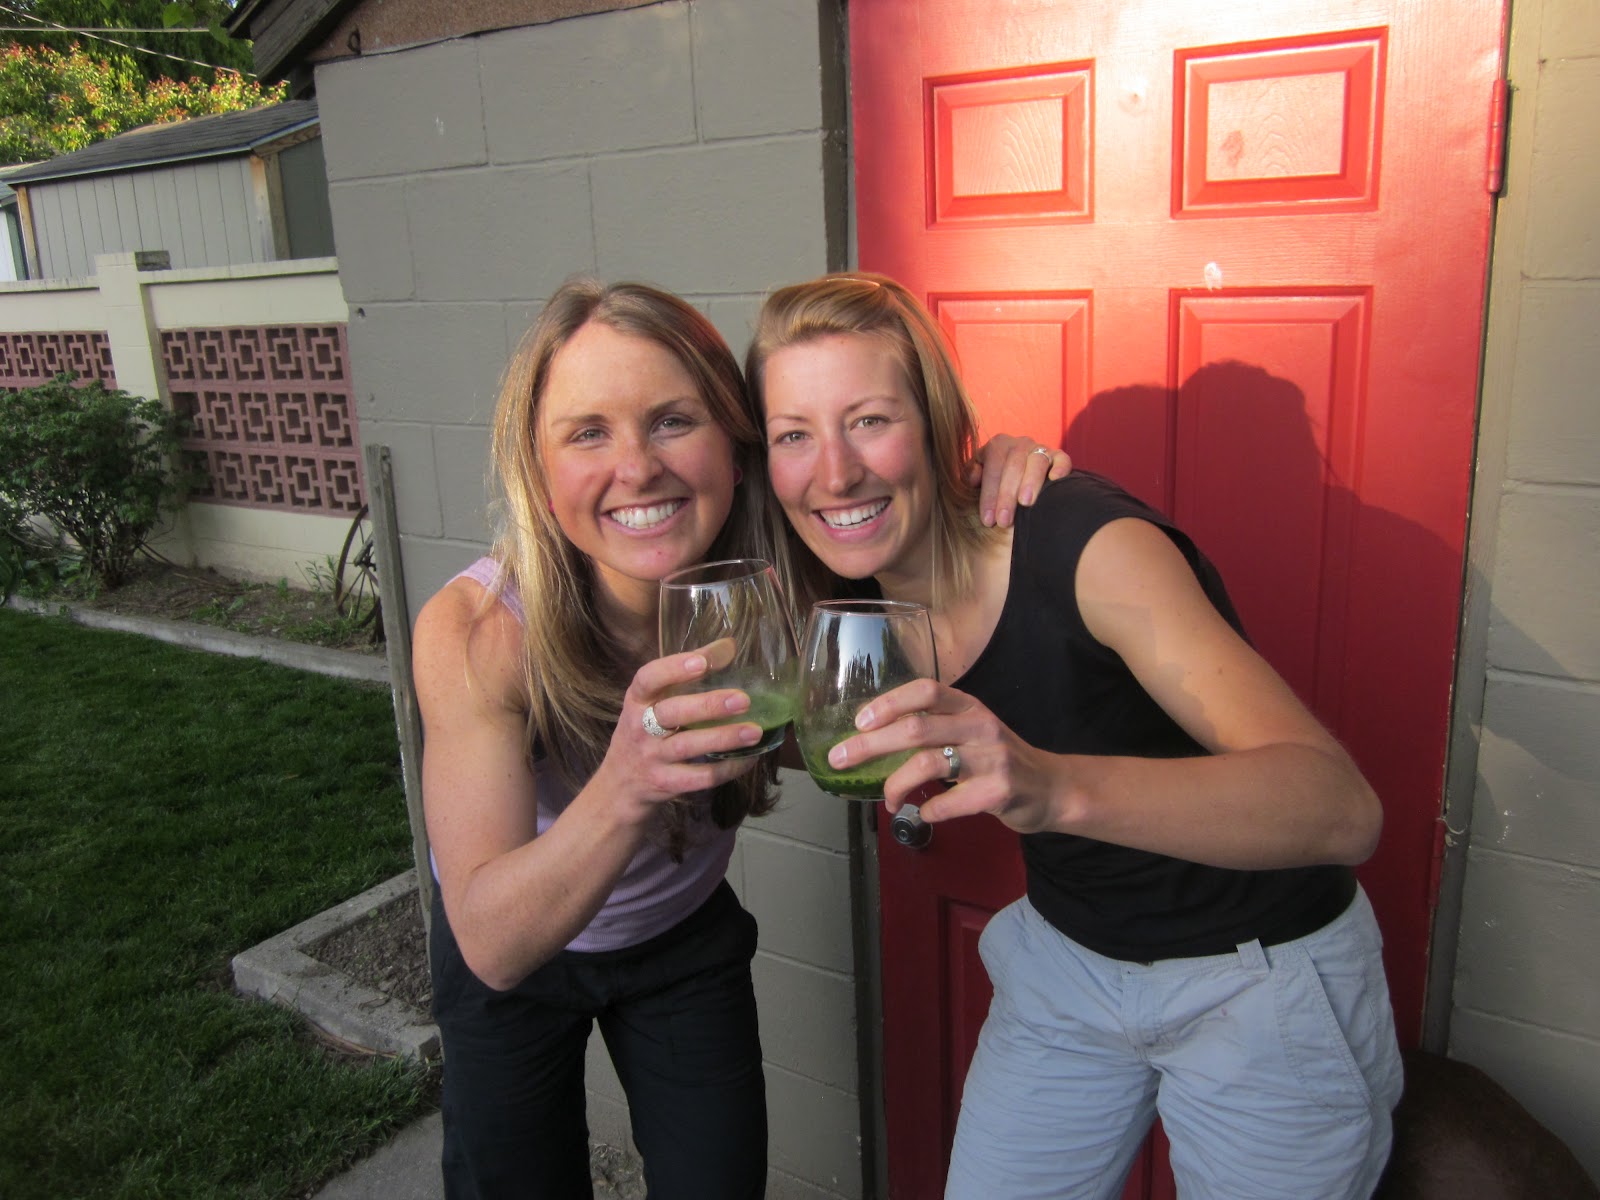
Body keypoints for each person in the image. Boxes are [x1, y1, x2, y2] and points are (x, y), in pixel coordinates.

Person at [745, 271, 1404, 1200]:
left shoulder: (1088, 548)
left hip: (1258, 974)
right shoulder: (835, 588)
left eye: (870, 420)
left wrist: (1051, 786)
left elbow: (1341, 810)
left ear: (937, 424)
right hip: (1071, 959)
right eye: (793, 435)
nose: (835, 473)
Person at [411, 276, 1067, 1200]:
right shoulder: (482, 631)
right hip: (523, 946)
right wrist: (629, 782)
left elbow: (897, 504)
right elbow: (491, 943)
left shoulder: (793, 573)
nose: (637, 468)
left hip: (681, 939)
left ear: (736, 445)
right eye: (588, 433)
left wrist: (990, 475)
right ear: (539, 472)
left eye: (673, 421)